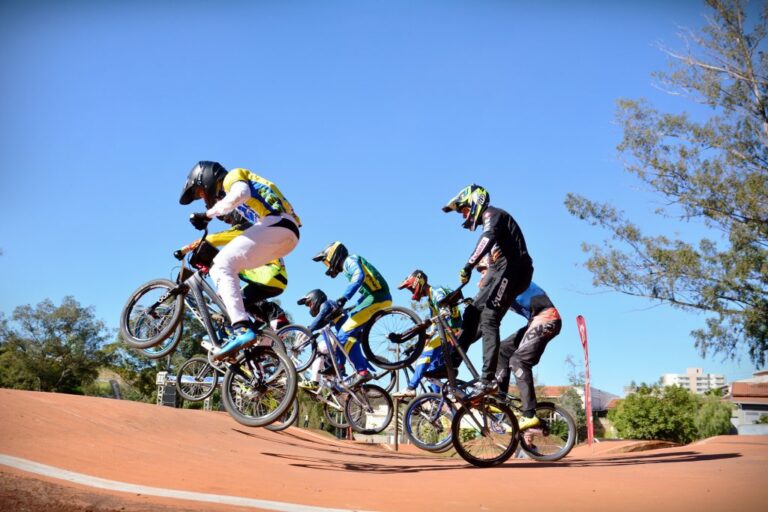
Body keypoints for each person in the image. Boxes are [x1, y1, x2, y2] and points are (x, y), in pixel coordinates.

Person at [179, 161, 301, 359]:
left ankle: (242, 329)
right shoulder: (245, 204)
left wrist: (208, 215)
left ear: (206, 178)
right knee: (230, 277)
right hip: (287, 235)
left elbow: (240, 193)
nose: (203, 198)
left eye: (201, 192)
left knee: (220, 266)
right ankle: (253, 336)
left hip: (278, 225)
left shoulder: (232, 177)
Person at [442, 184, 533, 397]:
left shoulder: (493, 215)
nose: (463, 215)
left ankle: (488, 379)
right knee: (472, 311)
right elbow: (492, 261)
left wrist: (468, 265)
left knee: (490, 317)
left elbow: (486, 238)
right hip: (500, 269)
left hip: (516, 269)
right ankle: (453, 362)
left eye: (463, 209)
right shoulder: (489, 221)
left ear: (475, 202)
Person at [174, 212, 290, 330]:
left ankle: (268, 316)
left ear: (237, 216)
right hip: (279, 280)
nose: (228, 222)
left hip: (267, 274)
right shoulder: (258, 232)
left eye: (228, 219)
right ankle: (269, 323)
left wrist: (183, 250)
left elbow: (211, 239)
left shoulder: (247, 229)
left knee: (230, 295)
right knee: (240, 299)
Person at [312, 242, 392, 387]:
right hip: (375, 297)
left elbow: (359, 277)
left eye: (326, 261)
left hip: (378, 298)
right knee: (348, 335)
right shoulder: (350, 264)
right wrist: (350, 308)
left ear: (333, 255)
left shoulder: (350, 260)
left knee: (344, 333)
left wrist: (344, 297)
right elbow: (364, 291)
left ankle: (358, 371)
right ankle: (341, 366)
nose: (327, 265)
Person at [392, 270, 462, 398]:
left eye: (410, 288)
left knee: (425, 356)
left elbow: (444, 311)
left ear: (417, 282)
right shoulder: (430, 299)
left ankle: (411, 387)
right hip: (448, 332)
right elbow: (436, 322)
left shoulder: (436, 291)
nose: (411, 292)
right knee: (431, 369)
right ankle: (437, 400)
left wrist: (430, 324)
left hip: (451, 331)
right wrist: (428, 335)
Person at [296, 289, 375, 389]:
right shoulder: (330, 308)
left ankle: (315, 381)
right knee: (328, 349)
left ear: (315, 298)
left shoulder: (326, 304)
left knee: (319, 350)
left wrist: (308, 329)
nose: (310, 308)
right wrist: (310, 331)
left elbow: (318, 320)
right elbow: (321, 324)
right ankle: (337, 376)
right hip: (348, 334)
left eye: (309, 304)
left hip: (346, 335)